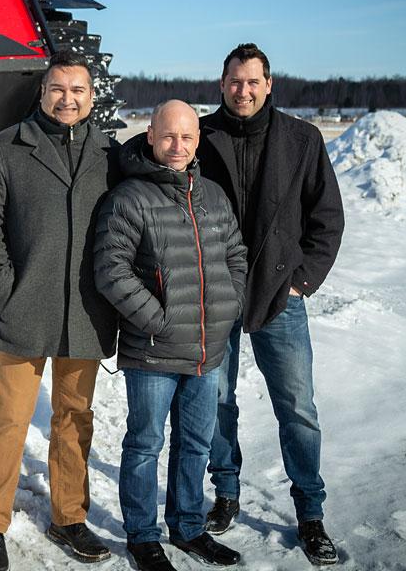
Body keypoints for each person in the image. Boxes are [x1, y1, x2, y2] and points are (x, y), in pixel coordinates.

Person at [0, 50, 120, 571]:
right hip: (23, 307)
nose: (67, 99)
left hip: (86, 310)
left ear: (91, 97)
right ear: (43, 91)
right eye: (58, 88)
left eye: (78, 90)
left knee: (74, 418)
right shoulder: (7, 148)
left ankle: (69, 518)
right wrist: (5, 287)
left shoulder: (109, 155)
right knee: (9, 419)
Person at [197, 43, 345, 566]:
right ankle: (226, 493)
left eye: (252, 81)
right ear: (222, 84)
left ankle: (310, 512)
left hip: (280, 295)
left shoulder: (301, 140)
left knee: (297, 408)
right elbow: (144, 156)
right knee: (216, 401)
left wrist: (302, 281)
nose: (243, 90)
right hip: (215, 294)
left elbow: (327, 217)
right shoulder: (200, 136)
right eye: (235, 81)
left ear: (269, 83)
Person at [94, 100, 248, 571]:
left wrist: (226, 309)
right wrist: (156, 319)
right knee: (145, 444)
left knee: (196, 444)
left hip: (207, 349)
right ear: (151, 136)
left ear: (197, 140)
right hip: (154, 351)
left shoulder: (214, 196)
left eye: (186, 137)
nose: (177, 146)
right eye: (168, 137)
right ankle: (142, 536)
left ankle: (188, 527)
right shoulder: (130, 197)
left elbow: (236, 256)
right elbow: (110, 268)